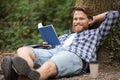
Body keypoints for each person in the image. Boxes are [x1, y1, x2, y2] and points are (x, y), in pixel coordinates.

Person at [1, 7, 119, 80]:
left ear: (90, 21)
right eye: (75, 19)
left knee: (49, 65)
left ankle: (19, 76)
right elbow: (53, 49)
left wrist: (94, 18)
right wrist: (47, 44)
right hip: (53, 51)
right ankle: (25, 70)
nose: (77, 22)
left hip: (74, 55)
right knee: (23, 50)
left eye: (81, 19)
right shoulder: (65, 36)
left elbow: (114, 15)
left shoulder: (96, 33)